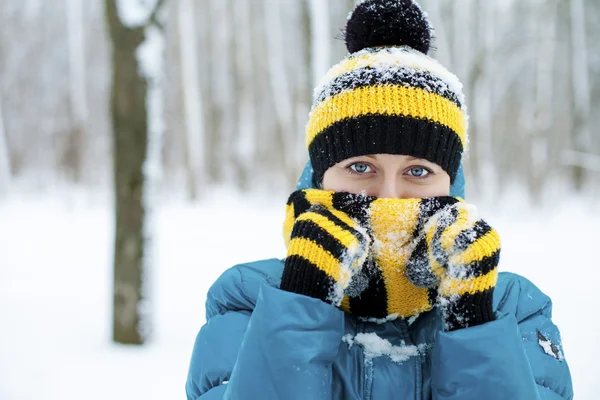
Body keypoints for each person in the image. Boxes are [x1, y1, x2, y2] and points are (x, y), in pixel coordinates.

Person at [185, 0, 574, 399]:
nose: (388, 196)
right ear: (322, 175)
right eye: (360, 167)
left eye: (417, 171)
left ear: (448, 182)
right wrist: (301, 299)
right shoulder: (253, 299)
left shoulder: (509, 308)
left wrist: (472, 318)